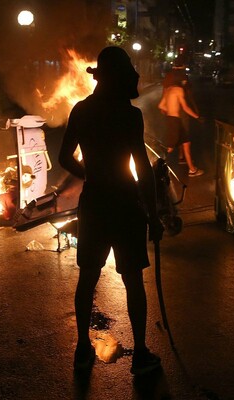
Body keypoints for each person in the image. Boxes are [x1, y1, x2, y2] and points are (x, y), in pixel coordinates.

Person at [59, 46, 164, 375]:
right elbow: (143, 168)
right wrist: (154, 213)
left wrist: (90, 175)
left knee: (87, 278)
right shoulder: (130, 115)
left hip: (94, 203)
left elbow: (64, 157)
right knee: (133, 280)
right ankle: (141, 352)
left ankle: (81, 348)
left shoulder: (81, 111)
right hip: (125, 204)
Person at [158, 68, 204, 177]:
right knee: (169, 148)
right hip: (175, 121)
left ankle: (192, 170)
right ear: (179, 80)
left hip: (174, 120)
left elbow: (160, 105)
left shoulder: (169, 89)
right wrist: (197, 117)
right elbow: (185, 107)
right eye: (183, 80)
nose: (185, 81)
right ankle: (155, 167)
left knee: (186, 143)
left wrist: (169, 111)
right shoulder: (179, 90)